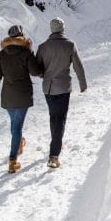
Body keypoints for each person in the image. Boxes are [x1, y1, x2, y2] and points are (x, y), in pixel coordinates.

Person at [0, 24, 41, 173]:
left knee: (14, 123)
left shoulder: (2, 53)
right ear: (22, 35)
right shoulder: (26, 52)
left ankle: (19, 144)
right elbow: (35, 72)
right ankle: (12, 160)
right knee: (16, 126)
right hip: (22, 95)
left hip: (8, 96)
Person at [36, 17, 87, 168]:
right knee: (60, 119)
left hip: (48, 88)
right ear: (63, 29)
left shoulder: (43, 47)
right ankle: (54, 155)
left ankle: (56, 143)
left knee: (54, 117)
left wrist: (43, 75)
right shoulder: (70, 45)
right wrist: (82, 84)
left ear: (51, 29)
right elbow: (78, 65)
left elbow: (38, 68)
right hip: (64, 87)